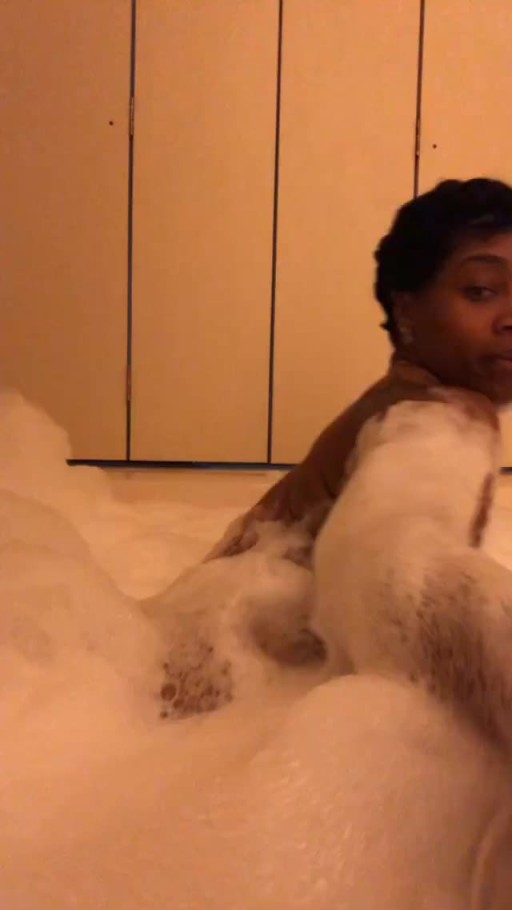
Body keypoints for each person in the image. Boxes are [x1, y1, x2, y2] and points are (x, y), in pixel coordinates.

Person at [208, 177, 512, 564]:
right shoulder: (431, 422)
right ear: (405, 312)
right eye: (481, 291)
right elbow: (398, 592)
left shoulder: (404, 403)